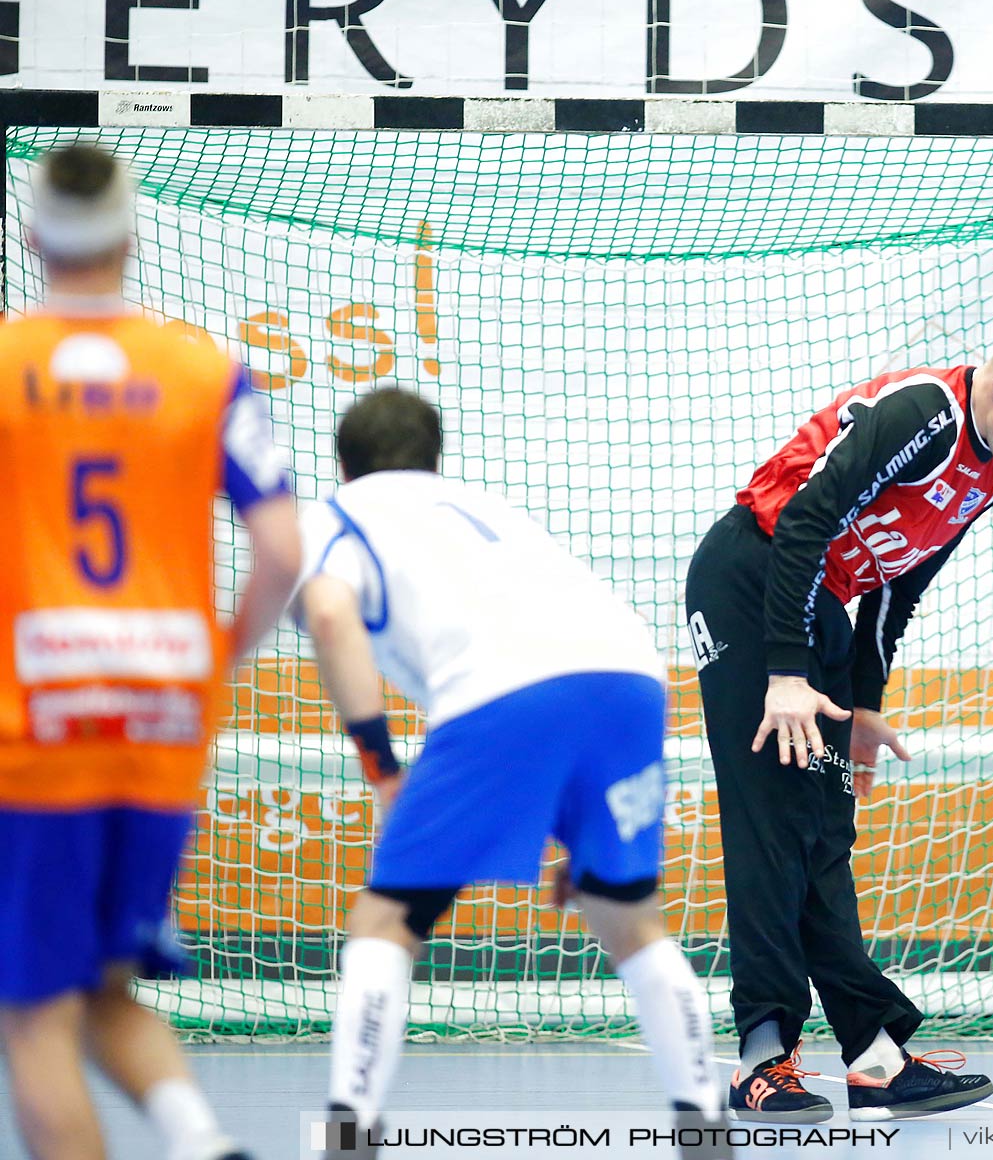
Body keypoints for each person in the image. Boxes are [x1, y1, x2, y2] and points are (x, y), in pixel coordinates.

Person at [292, 388, 724, 1154]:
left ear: (343, 462)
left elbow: (328, 614)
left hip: (505, 691)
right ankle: (704, 1126)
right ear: (435, 458)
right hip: (631, 676)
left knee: (388, 918)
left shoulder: (337, 512)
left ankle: (346, 1135)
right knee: (626, 911)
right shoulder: (488, 511)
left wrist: (382, 768)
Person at [685, 329, 993, 1122]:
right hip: (752, 582)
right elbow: (802, 522)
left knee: (825, 830)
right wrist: (787, 673)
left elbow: (896, 592)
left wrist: (863, 703)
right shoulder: (923, 415)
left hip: (821, 611)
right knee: (772, 822)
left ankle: (872, 1056)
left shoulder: (992, 474)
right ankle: (761, 1058)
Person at [0, 145, 302, 1160]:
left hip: (34, 723)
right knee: (103, 985)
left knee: (33, 1014)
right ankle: (201, 1142)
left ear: (34, 239)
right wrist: (216, 659)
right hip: (167, 714)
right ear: (131, 239)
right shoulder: (205, 370)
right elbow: (283, 552)